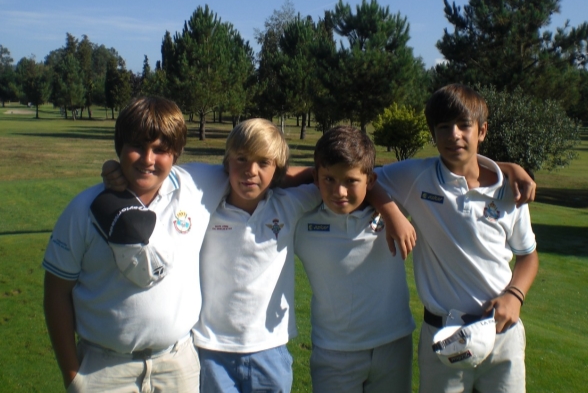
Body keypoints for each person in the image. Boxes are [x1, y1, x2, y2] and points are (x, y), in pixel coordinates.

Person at [191, 118, 414, 393]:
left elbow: (351, 178)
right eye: (242, 159)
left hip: (281, 348)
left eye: (263, 162)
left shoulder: (296, 205)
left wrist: (390, 209)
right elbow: (305, 175)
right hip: (221, 346)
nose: (339, 190)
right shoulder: (207, 206)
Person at [42, 96, 229, 393]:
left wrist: (318, 176)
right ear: (119, 147)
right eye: (137, 147)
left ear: (176, 153)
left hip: (177, 366)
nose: (148, 159)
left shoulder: (198, 186)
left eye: (160, 150)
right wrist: (73, 376)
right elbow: (56, 293)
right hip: (104, 370)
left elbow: (260, 171)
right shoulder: (83, 209)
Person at [375, 84, 539, 393]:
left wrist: (515, 295)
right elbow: (361, 177)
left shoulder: (510, 191)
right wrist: (392, 213)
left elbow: (528, 254)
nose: (454, 135)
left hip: (503, 332)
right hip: (443, 335)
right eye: (443, 127)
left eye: (464, 125)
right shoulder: (416, 177)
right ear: (432, 133)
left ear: (482, 130)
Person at [294, 126, 416, 393]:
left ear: (371, 181)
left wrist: (390, 209)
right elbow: (272, 177)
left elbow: (447, 166)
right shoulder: (300, 217)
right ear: (315, 177)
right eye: (329, 179)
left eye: (350, 181)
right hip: (333, 351)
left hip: (393, 345)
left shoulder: (396, 204)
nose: (339, 191)